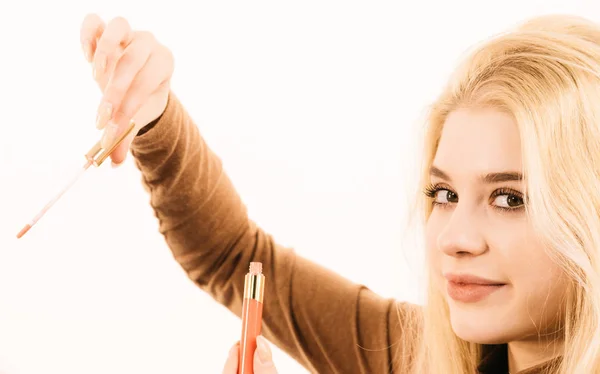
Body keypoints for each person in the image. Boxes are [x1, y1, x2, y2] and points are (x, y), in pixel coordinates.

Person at [78, 12, 600, 374]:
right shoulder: (418, 355)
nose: (454, 239)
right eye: (443, 193)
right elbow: (234, 257)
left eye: (511, 199)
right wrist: (155, 115)